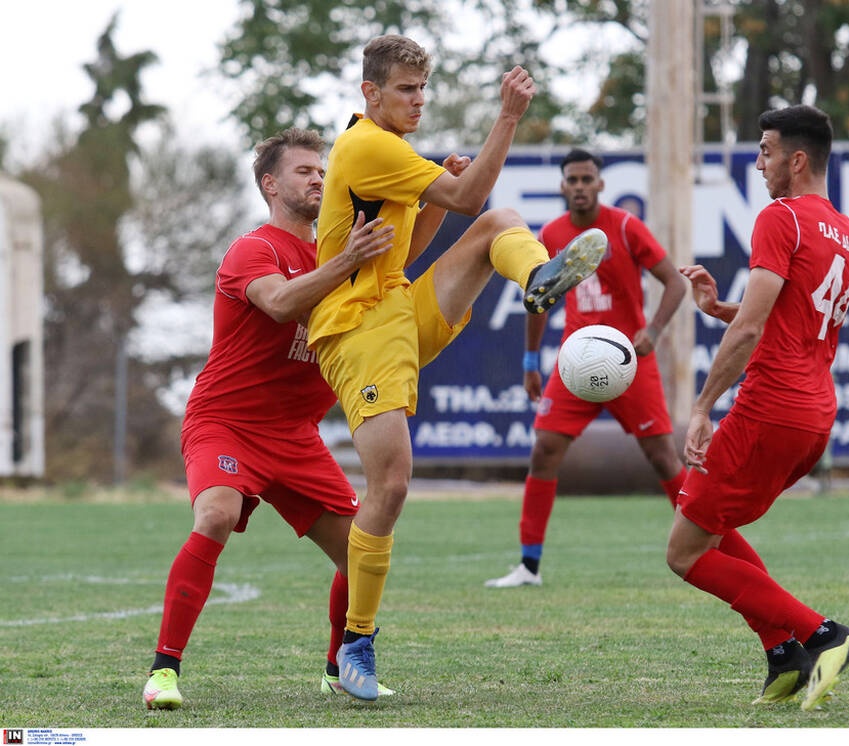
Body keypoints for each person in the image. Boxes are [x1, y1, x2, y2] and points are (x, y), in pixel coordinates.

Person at [306, 34, 606, 702]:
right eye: (405, 90)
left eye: (422, 89)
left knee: (501, 222)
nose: (417, 100)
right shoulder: (368, 145)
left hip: (395, 310)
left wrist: (434, 195)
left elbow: (410, 248)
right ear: (370, 94)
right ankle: (355, 646)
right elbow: (467, 193)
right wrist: (506, 117)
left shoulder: (390, 154)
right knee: (391, 485)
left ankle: (538, 277)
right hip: (357, 330)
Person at [142, 128, 397, 710]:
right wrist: (350, 261)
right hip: (226, 421)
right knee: (216, 514)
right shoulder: (253, 250)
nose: (318, 178)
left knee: (361, 550)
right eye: (304, 170)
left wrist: (438, 193)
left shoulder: (334, 254)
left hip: (295, 435)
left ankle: (338, 669)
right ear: (270, 184)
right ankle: (163, 673)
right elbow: (281, 303)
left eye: (321, 170)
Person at [665, 105, 849, 711]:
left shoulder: (781, 217)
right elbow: (790, 321)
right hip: (812, 415)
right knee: (705, 520)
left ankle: (823, 634)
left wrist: (701, 406)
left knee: (684, 553)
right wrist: (721, 309)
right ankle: (783, 654)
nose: (759, 163)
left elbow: (755, 331)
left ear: (795, 160)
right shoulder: (843, 229)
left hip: (769, 409)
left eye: (765, 151)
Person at [485, 148, 689, 588]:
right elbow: (540, 296)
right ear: (562, 186)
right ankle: (528, 566)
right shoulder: (553, 232)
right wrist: (530, 360)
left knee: (662, 456)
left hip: (628, 360)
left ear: (600, 184)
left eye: (587, 179)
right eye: (572, 180)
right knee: (544, 449)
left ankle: (707, 543)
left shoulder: (626, 227)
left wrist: (653, 330)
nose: (579, 186)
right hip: (575, 360)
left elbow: (675, 281)